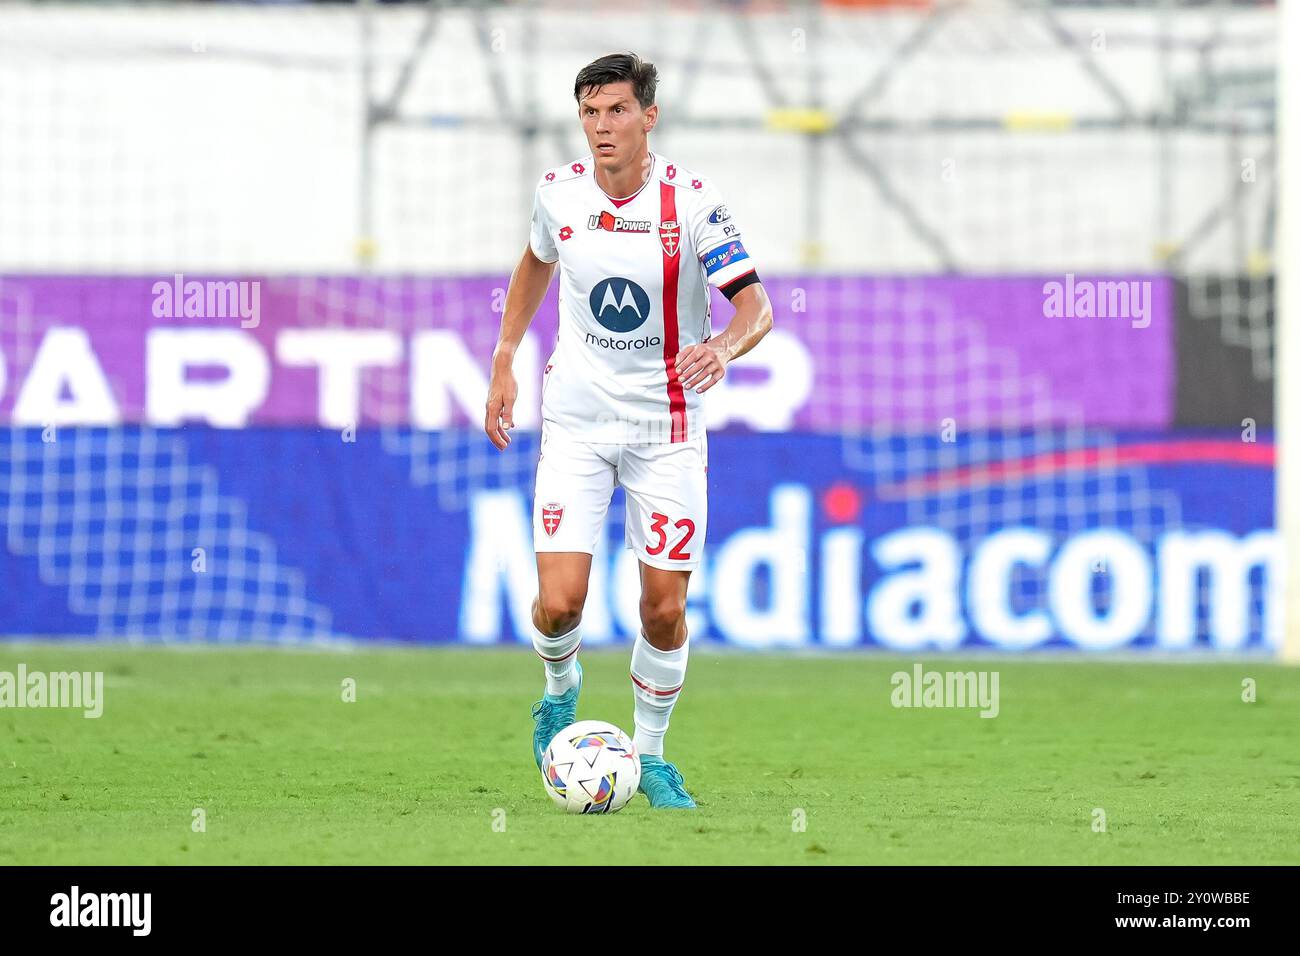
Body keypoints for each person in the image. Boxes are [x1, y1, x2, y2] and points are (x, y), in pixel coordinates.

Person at [485, 52, 773, 808]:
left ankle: (648, 759)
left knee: (663, 609)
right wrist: (506, 356)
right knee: (559, 606)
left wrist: (723, 346)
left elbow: (756, 306)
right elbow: (535, 262)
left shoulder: (693, 204)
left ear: (649, 115)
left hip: (666, 429)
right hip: (577, 422)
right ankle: (559, 688)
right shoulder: (558, 194)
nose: (601, 126)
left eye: (616, 110)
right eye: (589, 111)